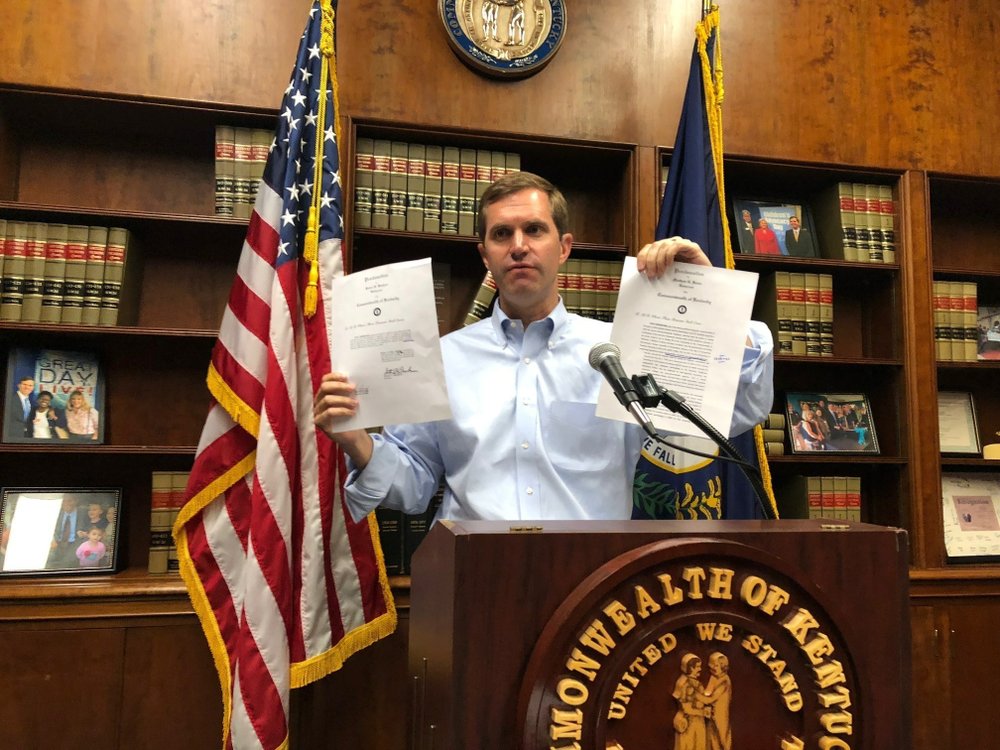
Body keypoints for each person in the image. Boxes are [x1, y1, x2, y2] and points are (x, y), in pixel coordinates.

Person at [314, 171, 773, 522]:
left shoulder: (617, 352)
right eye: (501, 234)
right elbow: (413, 484)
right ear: (485, 254)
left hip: (592, 591)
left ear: (564, 247)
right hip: (476, 585)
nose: (518, 246)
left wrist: (707, 294)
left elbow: (732, 412)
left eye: (534, 230)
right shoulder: (444, 358)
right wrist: (356, 442)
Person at [672, 653, 710, 749]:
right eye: (697, 667)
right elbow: (686, 709)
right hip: (690, 723)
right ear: (690, 668)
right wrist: (703, 712)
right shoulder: (685, 684)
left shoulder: (695, 683)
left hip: (698, 721)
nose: (700, 669)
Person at [704, 652, 732, 750]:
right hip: (711, 712)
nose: (713, 668)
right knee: (712, 737)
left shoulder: (724, 679)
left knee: (722, 737)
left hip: (721, 713)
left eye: (716, 666)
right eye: (711, 665)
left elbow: (712, 697)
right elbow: (707, 693)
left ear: (723, 666)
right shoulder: (713, 678)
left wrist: (696, 696)